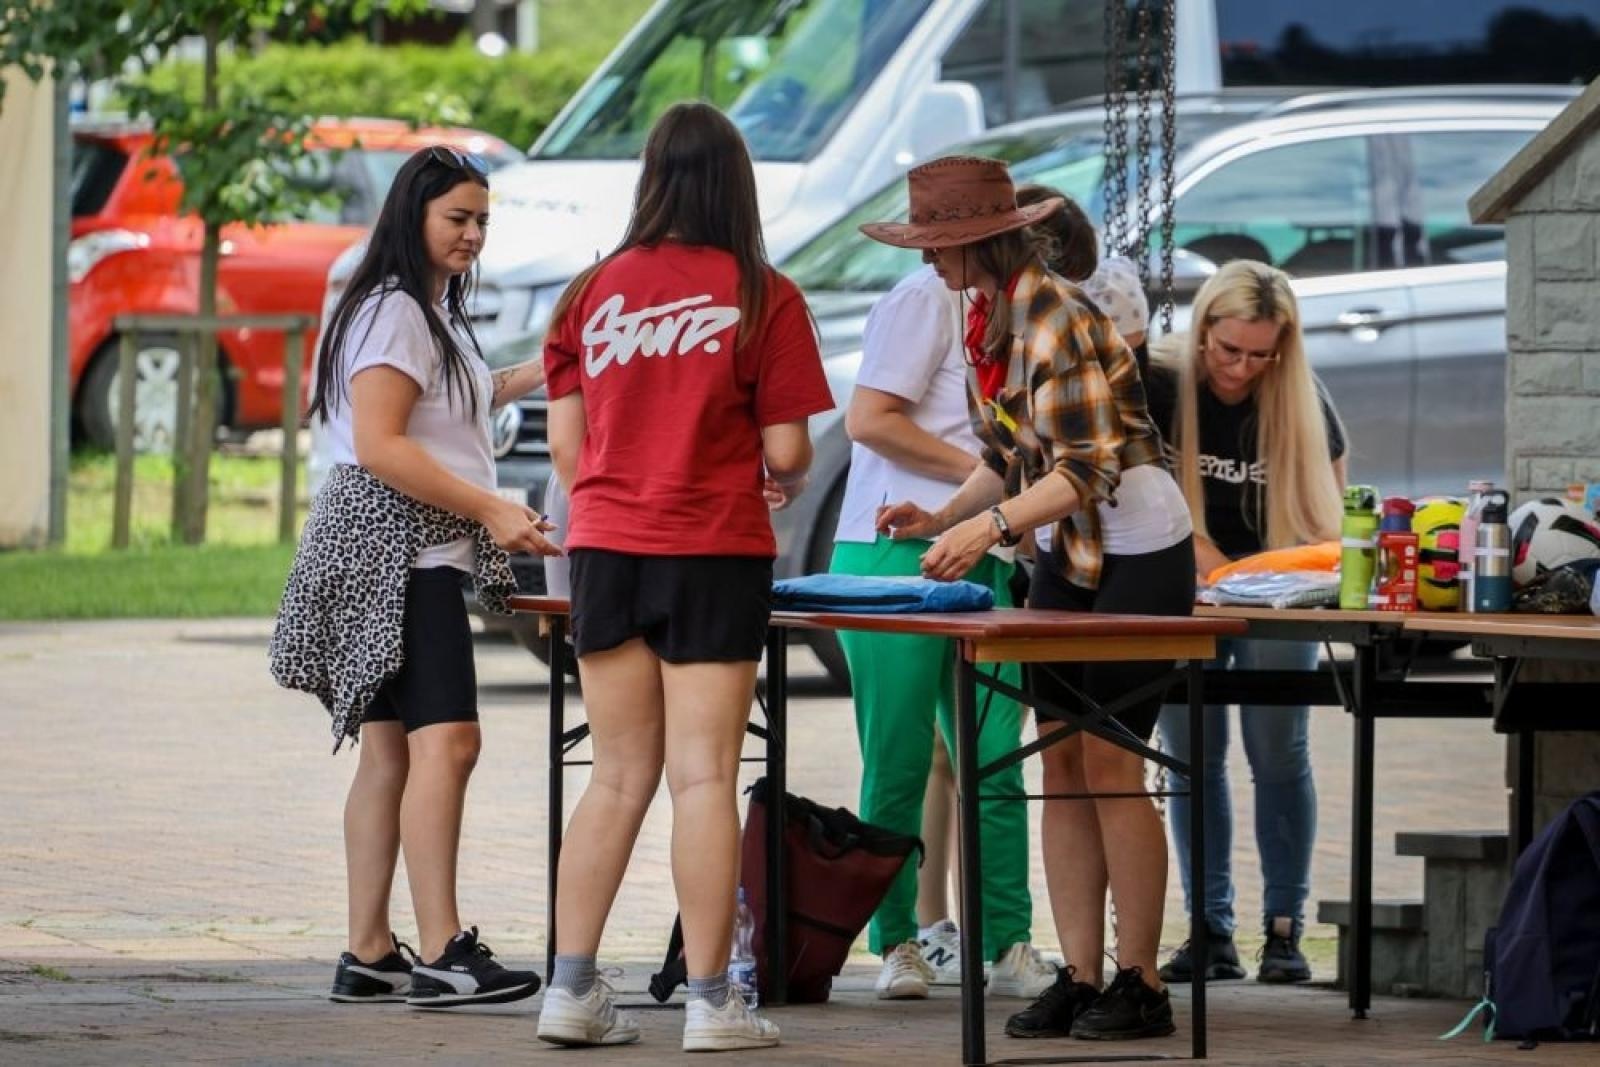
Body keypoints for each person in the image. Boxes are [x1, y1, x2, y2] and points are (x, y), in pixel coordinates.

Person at [866, 156, 1196, 1042]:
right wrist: (943, 512)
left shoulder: (1057, 315)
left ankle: (1144, 979)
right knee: (1059, 762)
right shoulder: (986, 316)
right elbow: (1010, 450)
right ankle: (1082, 975)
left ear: (982, 243)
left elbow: (1087, 469)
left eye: (939, 246)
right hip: (1067, 551)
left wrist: (988, 529)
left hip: (1137, 551)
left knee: (1113, 765)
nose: (931, 262)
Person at [536, 101, 833, 1053]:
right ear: (736, 184)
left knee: (616, 774)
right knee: (703, 774)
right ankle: (711, 1004)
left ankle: (569, 991)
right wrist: (763, 467)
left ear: (652, 176)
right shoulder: (764, 292)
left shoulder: (588, 293)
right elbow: (791, 447)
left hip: (607, 548)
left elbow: (569, 450)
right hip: (712, 548)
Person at [273, 145, 552, 1009]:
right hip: (400, 552)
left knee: (390, 752)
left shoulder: (418, 310)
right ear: (414, 217)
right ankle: (442, 949)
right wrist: (494, 508)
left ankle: (370, 951)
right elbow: (383, 444)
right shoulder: (396, 309)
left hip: (381, 548)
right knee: (450, 743)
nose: (472, 236)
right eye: (456, 219)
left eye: (481, 221)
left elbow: (457, 403)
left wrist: (555, 361)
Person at [828, 239, 1051, 1000]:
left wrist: (996, 503)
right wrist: (996, 479)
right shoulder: (926, 297)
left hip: (976, 541)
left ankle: (1009, 941)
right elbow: (869, 419)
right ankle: (897, 941)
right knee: (896, 753)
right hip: (892, 543)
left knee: (994, 750)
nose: (929, 251)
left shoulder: (1002, 309)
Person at [1152, 260, 1346, 985]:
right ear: (1202, 331)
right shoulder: (1164, 383)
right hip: (1190, 585)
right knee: (1190, 756)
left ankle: (1285, 928)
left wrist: (1269, 580)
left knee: (1279, 751)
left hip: (1277, 588)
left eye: (1261, 355)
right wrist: (1213, 574)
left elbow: (1327, 507)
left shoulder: (1300, 395)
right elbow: (1162, 507)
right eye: (1229, 350)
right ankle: (1209, 925)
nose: (1241, 368)